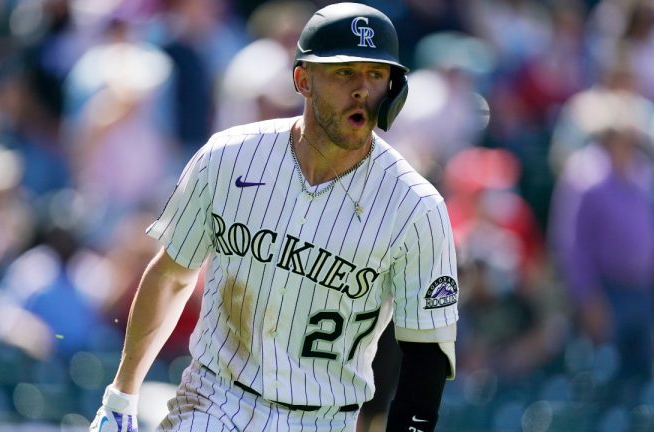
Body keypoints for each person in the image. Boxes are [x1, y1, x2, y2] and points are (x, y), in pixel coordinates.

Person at [90, 3, 459, 431]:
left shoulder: (415, 206)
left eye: (376, 75)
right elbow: (172, 275)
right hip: (214, 400)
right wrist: (121, 395)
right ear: (303, 79)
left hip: (323, 420)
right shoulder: (228, 156)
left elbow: (426, 354)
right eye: (344, 72)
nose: (361, 90)